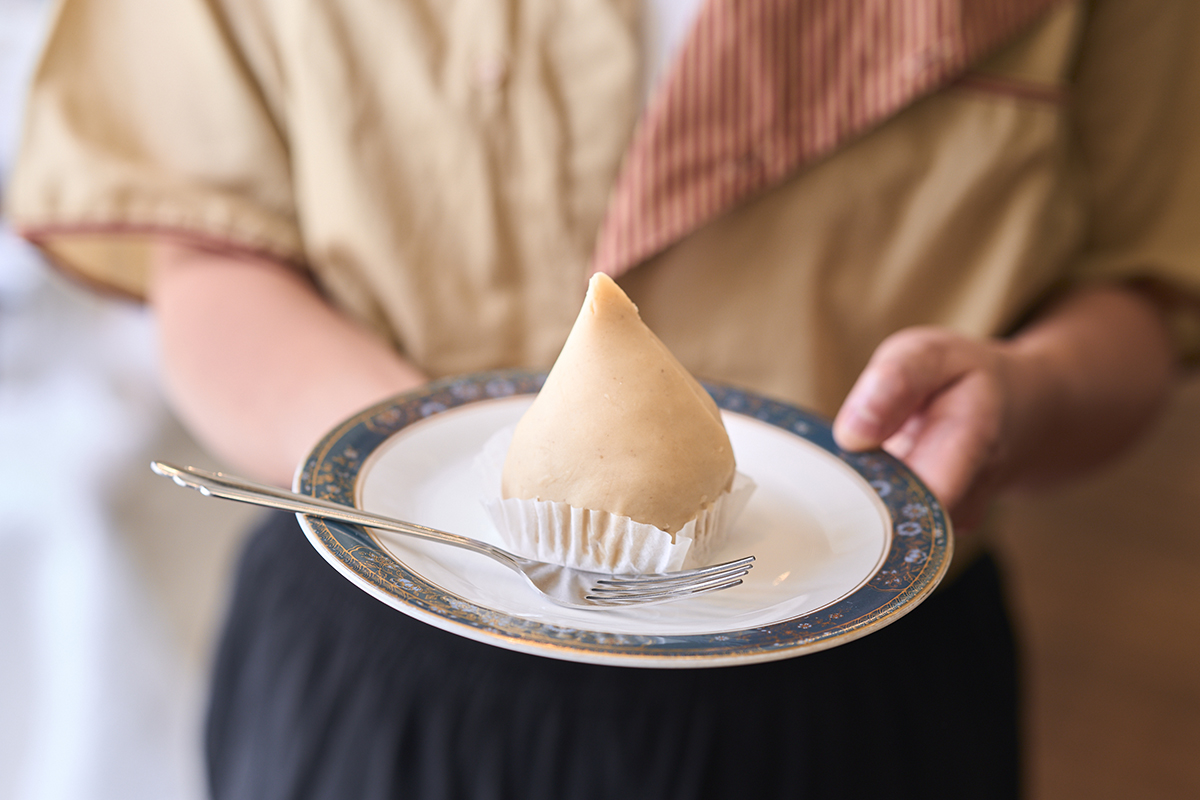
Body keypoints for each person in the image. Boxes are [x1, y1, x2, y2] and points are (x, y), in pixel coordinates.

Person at [8, 0, 1200, 797]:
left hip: (851, 689)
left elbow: (1140, 291)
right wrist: (411, 459)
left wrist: (1028, 392)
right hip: (386, 661)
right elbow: (206, 254)